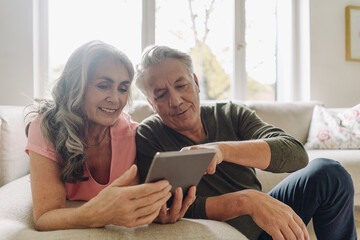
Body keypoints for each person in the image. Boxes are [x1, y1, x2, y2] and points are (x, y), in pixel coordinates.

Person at [134, 45, 357, 240]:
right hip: (224, 229)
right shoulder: (149, 135)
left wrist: (221, 150)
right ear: (151, 103)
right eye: (161, 94)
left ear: (195, 82)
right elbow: (171, 206)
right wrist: (246, 201)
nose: (175, 101)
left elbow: (295, 154)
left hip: (265, 225)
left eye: (181, 85)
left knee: (329, 172)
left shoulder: (231, 114)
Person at [25, 41, 195, 231]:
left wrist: (157, 211)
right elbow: (45, 217)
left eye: (123, 89)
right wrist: (98, 213)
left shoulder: (133, 135)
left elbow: (138, 203)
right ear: (76, 86)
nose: (115, 99)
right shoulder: (46, 128)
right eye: (103, 86)